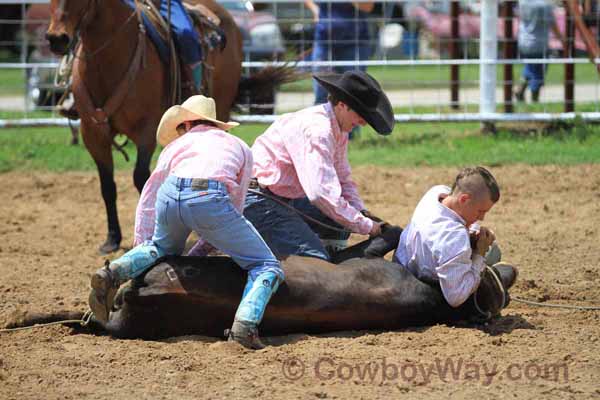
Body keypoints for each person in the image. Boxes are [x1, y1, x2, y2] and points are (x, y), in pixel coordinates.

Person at [88, 95, 283, 350]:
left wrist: (141, 243)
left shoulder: (175, 147)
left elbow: (148, 196)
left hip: (169, 194)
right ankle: (245, 327)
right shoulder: (239, 146)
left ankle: (112, 272)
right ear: (214, 123)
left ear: (188, 124)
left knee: (160, 246)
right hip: (210, 195)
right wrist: (201, 250)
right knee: (267, 265)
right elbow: (236, 206)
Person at [243, 70, 395, 261]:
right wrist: (366, 226)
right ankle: (321, 268)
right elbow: (320, 193)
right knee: (315, 261)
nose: (363, 123)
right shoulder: (319, 131)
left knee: (340, 221)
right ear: (342, 105)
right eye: (361, 114)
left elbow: (342, 177)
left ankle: (330, 268)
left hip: (273, 195)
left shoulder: (337, 128)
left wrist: (361, 212)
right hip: (258, 200)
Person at [394, 166, 517, 308]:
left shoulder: (436, 193)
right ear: (464, 199)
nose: (482, 218)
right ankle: (493, 280)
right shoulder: (455, 237)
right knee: (492, 252)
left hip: (402, 263)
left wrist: (472, 231)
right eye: (480, 211)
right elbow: (456, 297)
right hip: (425, 285)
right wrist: (479, 254)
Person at [305, 0, 375, 105]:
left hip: (354, 43)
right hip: (324, 42)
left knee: (354, 95)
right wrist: (315, 10)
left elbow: (368, 6)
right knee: (321, 96)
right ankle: (323, 121)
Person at [515, 0, 564, 103]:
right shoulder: (545, 5)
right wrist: (561, 39)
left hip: (524, 41)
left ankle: (520, 89)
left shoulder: (523, 2)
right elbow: (552, 24)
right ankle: (534, 99)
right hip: (539, 43)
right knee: (539, 72)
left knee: (530, 66)